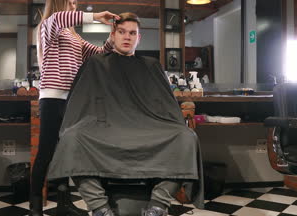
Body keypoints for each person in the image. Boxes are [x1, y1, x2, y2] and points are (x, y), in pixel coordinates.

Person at [47, 12, 204, 216]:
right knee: (71, 138)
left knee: (186, 137)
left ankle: (158, 205)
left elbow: (166, 107)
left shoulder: (151, 65)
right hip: (105, 129)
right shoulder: (96, 64)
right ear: (113, 35)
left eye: (132, 33)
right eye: (121, 32)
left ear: (138, 38)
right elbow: (81, 106)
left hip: (148, 129)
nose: (127, 37)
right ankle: (100, 208)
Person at [30, 0, 120, 216]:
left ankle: (64, 202)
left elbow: (98, 53)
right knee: (46, 153)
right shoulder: (49, 25)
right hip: (52, 98)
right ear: (59, 3)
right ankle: (35, 208)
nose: (74, 7)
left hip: (71, 100)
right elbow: (60, 18)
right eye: (70, 3)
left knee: (66, 151)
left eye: (75, 3)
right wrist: (96, 16)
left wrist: (112, 38)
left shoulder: (73, 35)